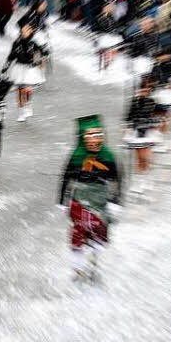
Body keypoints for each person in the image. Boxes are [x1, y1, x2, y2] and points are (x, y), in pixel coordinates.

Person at [58, 115, 123, 281]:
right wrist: (62, 201)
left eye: (98, 135)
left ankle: (94, 258)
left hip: (100, 200)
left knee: (97, 231)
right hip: (79, 200)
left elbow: (116, 179)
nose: (94, 140)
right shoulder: (76, 157)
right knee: (78, 233)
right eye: (90, 136)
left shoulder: (108, 156)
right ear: (82, 138)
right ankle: (78, 268)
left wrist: (116, 201)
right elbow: (66, 178)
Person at [4, 23, 46, 122]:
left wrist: (40, 60)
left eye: (26, 31)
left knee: (26, 90)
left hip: (30, 69)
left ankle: (28, 104)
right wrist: (6, 66)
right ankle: (21, 112)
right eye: (22, 31)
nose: (24, 33)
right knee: (19, 91)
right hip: (19, 68)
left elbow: (42, 52)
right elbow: (11, 56)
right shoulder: (16, 43)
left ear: (30, 31)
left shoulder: (33, 43)